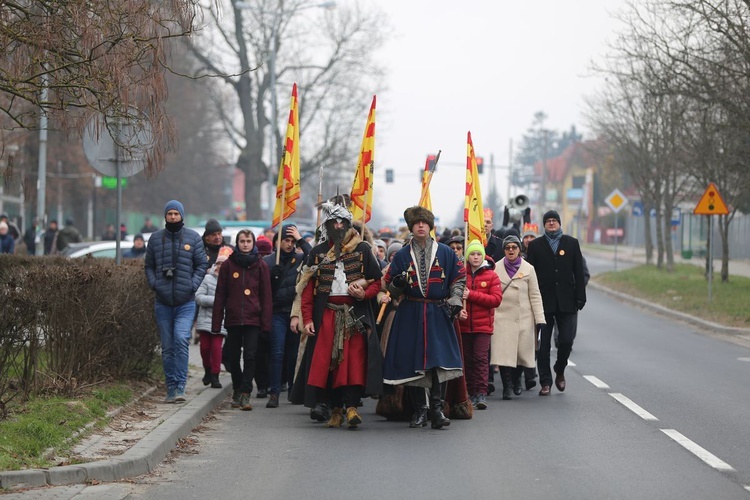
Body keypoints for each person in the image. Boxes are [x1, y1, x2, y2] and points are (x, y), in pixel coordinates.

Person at [291, 199, 383, 429]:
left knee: (353, 364)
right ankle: (333, 409)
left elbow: (377, 281)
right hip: (326, 317)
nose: (339, 226)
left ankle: (351, 406)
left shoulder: (363, 250)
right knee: (327, 364)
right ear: (328, 225)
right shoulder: (318, 253)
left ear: (349, 224)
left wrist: (363, 294)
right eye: (335, 222)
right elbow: (307, 291)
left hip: (355, 316)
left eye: (343, 221)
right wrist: (308, 319)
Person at [383, 206, 466, 430]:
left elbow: (459, 278)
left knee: (439, 363)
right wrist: (396, 285)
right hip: (411, 312)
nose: (420, 226)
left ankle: (437, 410)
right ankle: (420, 411)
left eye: (424, 222)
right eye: (416, 223)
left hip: (438, 312)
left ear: (430, 226)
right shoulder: (401, 255)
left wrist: (456, 300)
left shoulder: (446, 253)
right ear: (411, 227)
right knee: (415, 363)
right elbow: (390, 285)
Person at [145, 200, 208, 403]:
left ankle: (181, 386)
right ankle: (170, 387)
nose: (173, 217)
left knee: (181, 340)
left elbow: (201, 265)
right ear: (165, 216)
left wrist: (192, 285)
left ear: (182, 215)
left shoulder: (193, 238)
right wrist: (154, 283)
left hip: (185, 301)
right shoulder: (155, 239)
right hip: (162, 302)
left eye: (176, 213)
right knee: (168, 346)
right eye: (170, 213)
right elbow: (149, 265)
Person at [525, 210, 586, 396]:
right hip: (543, 301)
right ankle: (545, 381)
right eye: (548, 221)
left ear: (559, 223)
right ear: (544, 224)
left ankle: (560, 369)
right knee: (543, 345)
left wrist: (580, 297)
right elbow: (530, 274)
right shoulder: (536, 245)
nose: (551, 223)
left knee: (566, 340)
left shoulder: (571, 243)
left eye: (554, 220)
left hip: (567, 301)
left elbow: (579, 271)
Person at [212, 229, 272, 411]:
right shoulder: (229, 266)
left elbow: (266, 296)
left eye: (248, 241)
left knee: (251, 356)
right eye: (242, 241)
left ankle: (246, 393)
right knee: (232, 357)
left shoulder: (261, 266)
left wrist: (266, 323)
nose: (245, 244)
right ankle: (237, 387)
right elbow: (220, 294)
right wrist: (216, 322)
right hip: (233, 318)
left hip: (253, 319)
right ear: (237, 243)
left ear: (253, 243)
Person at [262, 224, 312, 408]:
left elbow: (314, 258)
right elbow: (262, 290)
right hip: (276, 313)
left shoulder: (300, 259)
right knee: (277, 352)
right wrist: (271, 278)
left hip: (294, 312)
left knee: (292, 354)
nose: (289, 244)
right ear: (278, 242)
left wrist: (301, 239)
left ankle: (293, 389)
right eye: (286, 240)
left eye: (292, 241)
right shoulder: (268, 262)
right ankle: (274, 392)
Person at [492, 235, 546, 399]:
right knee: (504, 353)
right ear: (504, 250)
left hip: (524, 317)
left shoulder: (528, 268)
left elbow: (535, 295)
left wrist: (540, 318)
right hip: (502, 317)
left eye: (514, 247)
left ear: (519, 250)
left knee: (521, 353)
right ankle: (507, 386)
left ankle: (516, 381)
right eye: (507, 248)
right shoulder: (495, 268)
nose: (511, 250)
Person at [457, 240, 502, 410]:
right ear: (467, 257)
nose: (475, 257)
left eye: (478, 254)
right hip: (464, 325)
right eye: (472, 254)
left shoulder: (491, 275)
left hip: (483, 327)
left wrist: (472, 295)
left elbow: (495, 300)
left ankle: (481, 392)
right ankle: (468, 392)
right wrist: (458, 311)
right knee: (466, 360)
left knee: (480, 359)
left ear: (482, 256)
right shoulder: (461, 275)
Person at [195, 248, 233, 389]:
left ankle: (215, 375)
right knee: (205, 348)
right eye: (218, 264)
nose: (220, 267)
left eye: (224, 264)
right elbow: (199, 297)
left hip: (221, 320)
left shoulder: (230, 281)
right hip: (205, 319)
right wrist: (216, 300)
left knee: (216, 348)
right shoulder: (207, 278)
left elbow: (230, 300)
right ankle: (207, 370)